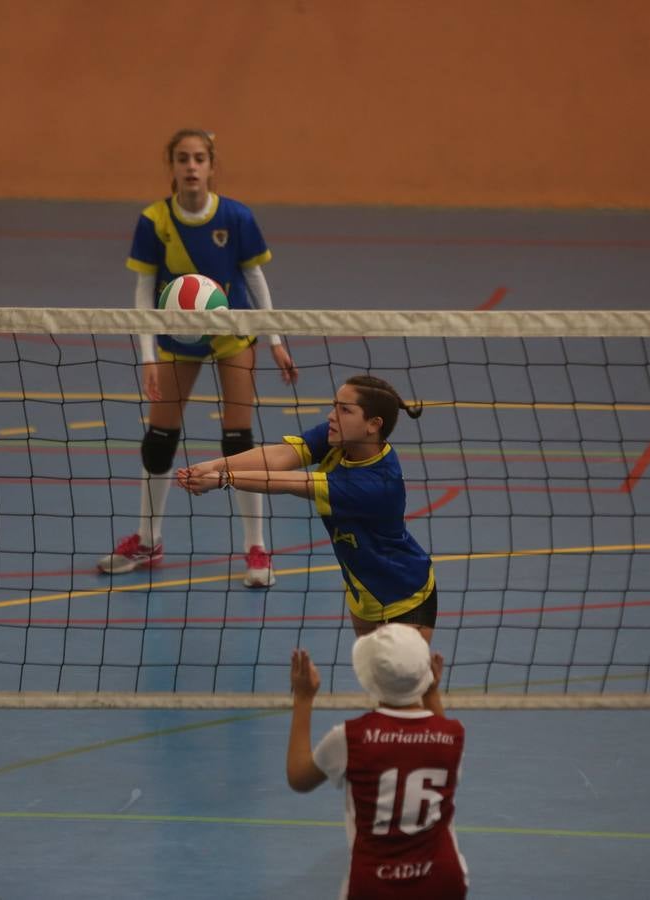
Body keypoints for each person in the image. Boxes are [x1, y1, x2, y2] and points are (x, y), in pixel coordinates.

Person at [97, 128, 299, 587]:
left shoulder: (236, 216)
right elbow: (144, 291)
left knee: (239, 441)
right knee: (159, 439)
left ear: (211, 166)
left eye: (200, 158)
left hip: (232, 334)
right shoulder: (155, 220)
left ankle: (257, 548)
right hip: (178, 339)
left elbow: (256, 279)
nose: (191, 166)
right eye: (183, 158)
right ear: (171, 165)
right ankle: (149, 539)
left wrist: (275, 340)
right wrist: (147, 356)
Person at [177, 375, 436, 641]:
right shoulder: (342, 439)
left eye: (344, 410)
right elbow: (280, 457)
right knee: (373, 679)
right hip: (363, 594)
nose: (332, 416)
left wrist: (224, 479)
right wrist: (215, 465)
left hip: (405, 595)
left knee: (407, 681)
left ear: (373, 424)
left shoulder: (375, 483)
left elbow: (290, 481)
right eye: (335, 405)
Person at [286, 624, 468, 899]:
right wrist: (431, 693)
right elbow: (435, 727)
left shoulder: (349, 738)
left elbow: (298, 777)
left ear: (368, 678)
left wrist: (303, 699)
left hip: (374, 886)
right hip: (443, 880)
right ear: (427, 673)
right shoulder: (452, 736)